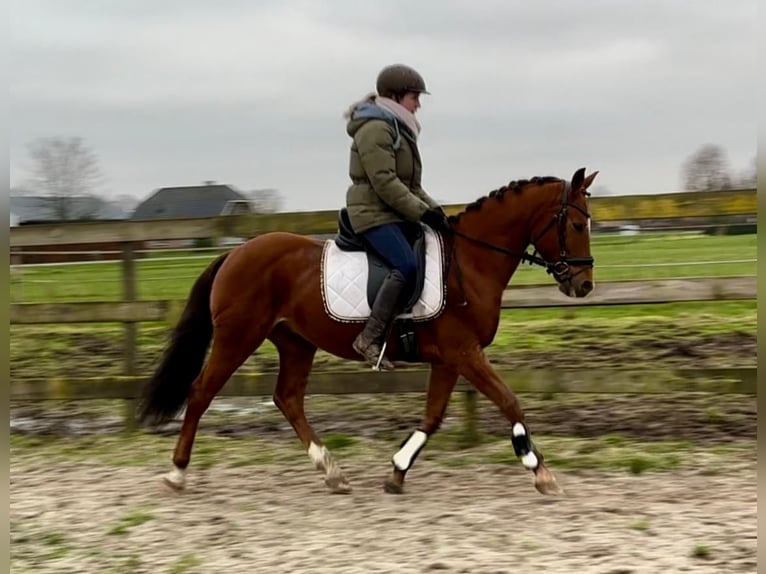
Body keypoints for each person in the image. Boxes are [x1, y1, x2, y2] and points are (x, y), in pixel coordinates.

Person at [343, 63, 451, 370]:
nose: (418, 104)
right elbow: (385, 183)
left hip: (391, 211)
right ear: (395, 96)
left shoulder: (397, 128)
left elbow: (412, 186)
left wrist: (436, 213)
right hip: (372, 213)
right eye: (415, 97)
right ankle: (369, 338)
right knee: (405, 265)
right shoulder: (376, 129)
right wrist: (422, 213)